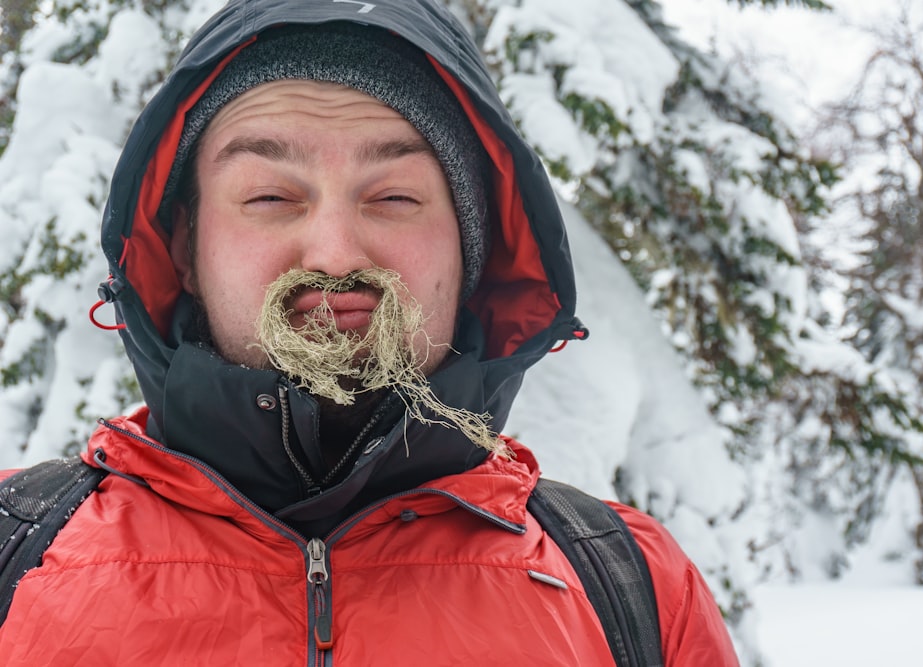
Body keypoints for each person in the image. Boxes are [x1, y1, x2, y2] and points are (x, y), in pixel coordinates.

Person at [0, 0, 740, 664]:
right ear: (186, 248)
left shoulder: (629, 586)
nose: (334, 252)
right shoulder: (15, 556)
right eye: (267, 195)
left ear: (470, 252)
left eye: (393, 195)